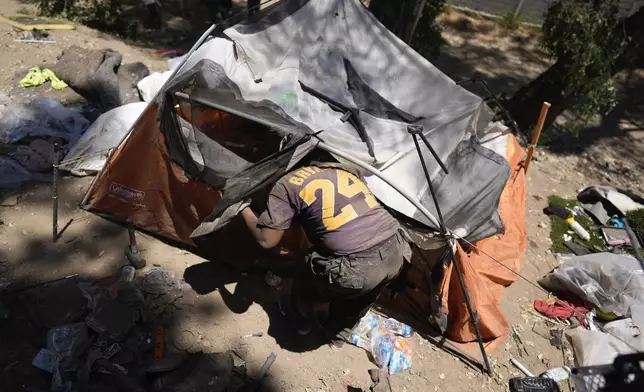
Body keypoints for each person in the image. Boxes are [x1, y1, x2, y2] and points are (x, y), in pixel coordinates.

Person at [240, 161, 408, 348]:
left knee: (305, 273)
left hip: (358, 266)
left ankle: (301, 322)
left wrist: (242, 207)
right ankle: (339, 335)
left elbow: (267, 240)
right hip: (397, 249)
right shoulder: (344, 167)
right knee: (364, 296)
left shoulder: (286, 183)